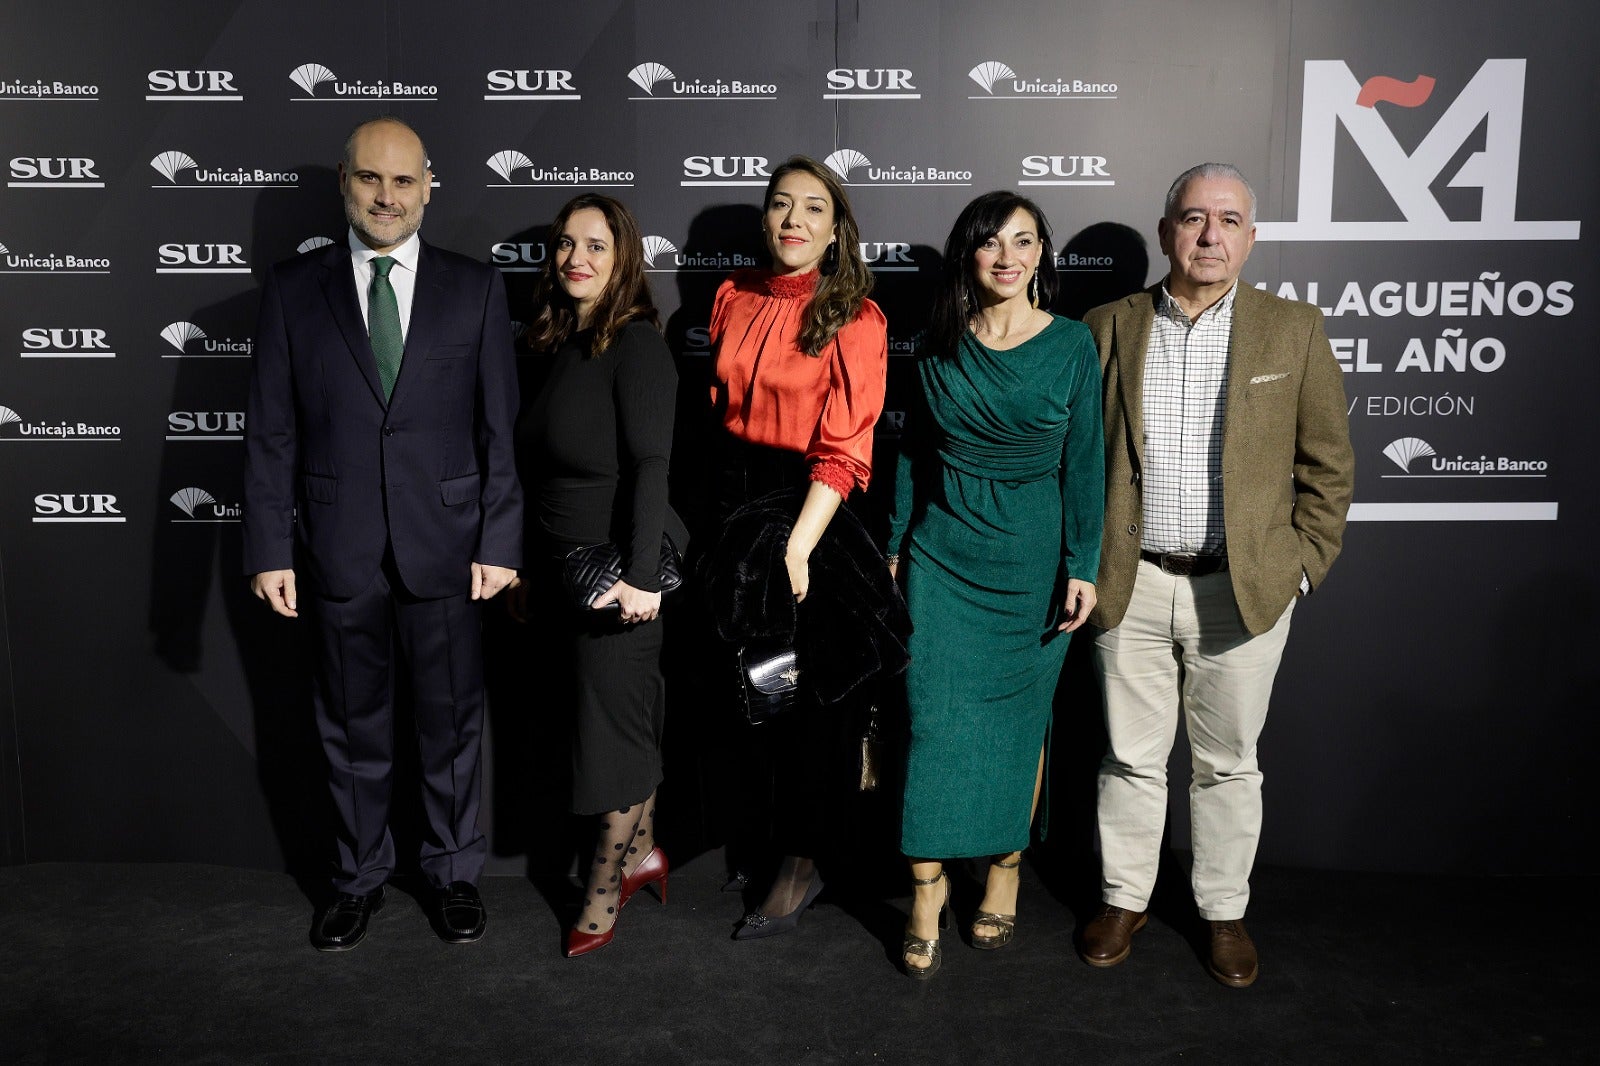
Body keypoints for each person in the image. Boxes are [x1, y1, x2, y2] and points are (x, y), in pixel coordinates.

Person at [242, 116, 522, 951]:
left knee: (451, 724)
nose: (388, 197)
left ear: (429, 186)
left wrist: (500, 543)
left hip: (447, 545)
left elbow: (498, 432)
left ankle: (452, 874)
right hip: (337, 545)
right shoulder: (294, 290)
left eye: (404, 182)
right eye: (372, 179)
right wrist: (268, 548)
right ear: (344, 181)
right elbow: (269, 434)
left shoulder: (474, 287)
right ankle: (357, 879)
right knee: (350, 727)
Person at [1078, 163, 1354, 987]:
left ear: (1251, 237)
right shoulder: (1107, 324)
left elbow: (1328, 469)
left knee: (1228, 760)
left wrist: (1300, 568)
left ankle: (1222, 910)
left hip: (1245, 589)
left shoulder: (1294, 329)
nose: (1210, 236)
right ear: (1167, 232)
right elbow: (1078, 458)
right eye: (1194, 219)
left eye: (1228, 221)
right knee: (1130, 756)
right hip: (1131, 582)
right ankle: (1125, 897)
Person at [886, 192, 1105, 978]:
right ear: (967, 256)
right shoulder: (936, 345)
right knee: (932, 723)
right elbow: (912, 457)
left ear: (1042, 253)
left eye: (1024, 240)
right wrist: (893, 551)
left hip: (1032, 569)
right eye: (990, 243)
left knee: (1019, 730)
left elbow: (1085, 462)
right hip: (943, 560)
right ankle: (925, 888)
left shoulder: (1074, 345)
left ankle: (1004, 871)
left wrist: (1084, 563)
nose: (1007, 256)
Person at [704, 155, 899, 939]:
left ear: (836, 227)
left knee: (818, 705)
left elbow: (845, 449)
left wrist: (796, 548)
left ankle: (806, 859)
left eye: (812, 208)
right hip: (736, 508)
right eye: (781, 204)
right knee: (758, 696)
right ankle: (761, 838)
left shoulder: (855, 316)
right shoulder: (733, 295)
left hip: (814, 513)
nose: (793, 219)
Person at [515, 194, 682, 958]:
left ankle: (602, 890)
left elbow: (652, 467)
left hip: (620, 581)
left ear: (624, 261)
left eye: (596, 244)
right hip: (562, 579)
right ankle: (646, 856)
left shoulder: (637, 345)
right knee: (601, 733)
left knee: (612, 744)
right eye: (564, 244)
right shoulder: (553, 344)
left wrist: (644, 580)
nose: (576, 257)